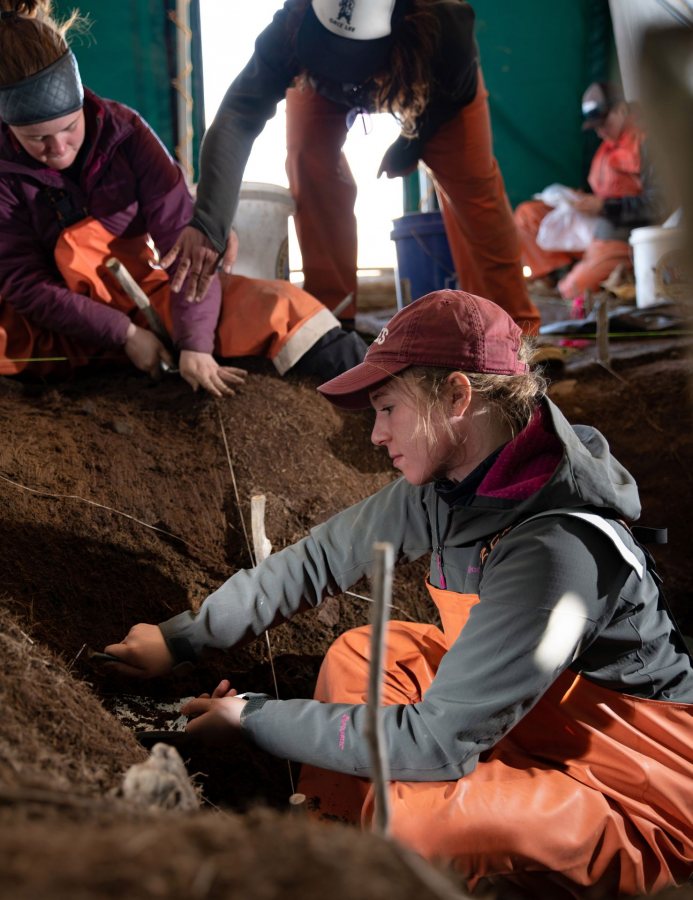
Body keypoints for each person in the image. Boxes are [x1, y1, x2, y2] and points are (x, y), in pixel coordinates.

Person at [105, 288, 692, 897]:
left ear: (458, 397)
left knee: (422, 826)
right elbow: (319, 560)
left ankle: (385, 864)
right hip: (518, 721)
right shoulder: (455, 482)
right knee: (364, 654)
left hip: (628, 778)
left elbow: (435, 742)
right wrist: (184, 638)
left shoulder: (555, 552)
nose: (376, 436)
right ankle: (338, 837)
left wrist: (251, 716)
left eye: (388, 409)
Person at [0, 0, 366, 390]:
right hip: (55, 319)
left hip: (147, 295)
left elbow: (185, 247)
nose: (58, 148)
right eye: (37, 138)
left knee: (280, 307)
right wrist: (122, 334)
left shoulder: (127, 136)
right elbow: (23, 282)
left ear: (82, 104)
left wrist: (195, 343)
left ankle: (385, 373)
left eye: (70, 127)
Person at [162, 0, 541, 336]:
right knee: (308, 160)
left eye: (351, 59)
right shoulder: (290, 28)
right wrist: (209, 225)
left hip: (424, 77)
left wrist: (412, 144)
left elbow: (451, 97)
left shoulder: (444, 26)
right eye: (332, 53)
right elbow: (238, 115)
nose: (346, 70)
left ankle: (513, 330)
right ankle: (333, 316)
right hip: (318, 83)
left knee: (473, 186)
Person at [514, 82, 667, 303]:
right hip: (595, 223)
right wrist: (582, 198)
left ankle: (576, 279)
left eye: (605, 123)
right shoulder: (610, 141)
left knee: (575, 289)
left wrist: (604, 206)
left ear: (622, 110)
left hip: (624, 234)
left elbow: (660, 205)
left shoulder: (647, 142)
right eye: (596, 126)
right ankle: (548, 277)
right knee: (528, 214)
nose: (600, 131)